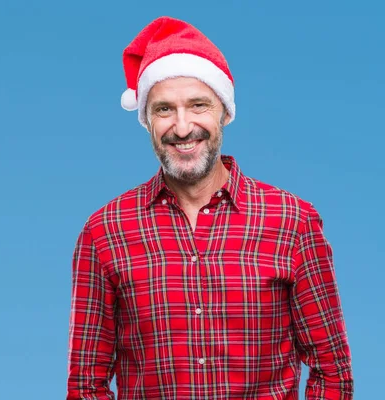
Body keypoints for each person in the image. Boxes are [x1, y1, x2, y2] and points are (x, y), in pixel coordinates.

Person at [66, 16, 353, 400]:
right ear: (147, 121)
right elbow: (86, 386)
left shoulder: (293, 222)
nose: (182, 127)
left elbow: (331, 371)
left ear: (224, 112)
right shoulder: (105, 232)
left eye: (198, 105)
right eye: (164, 110)